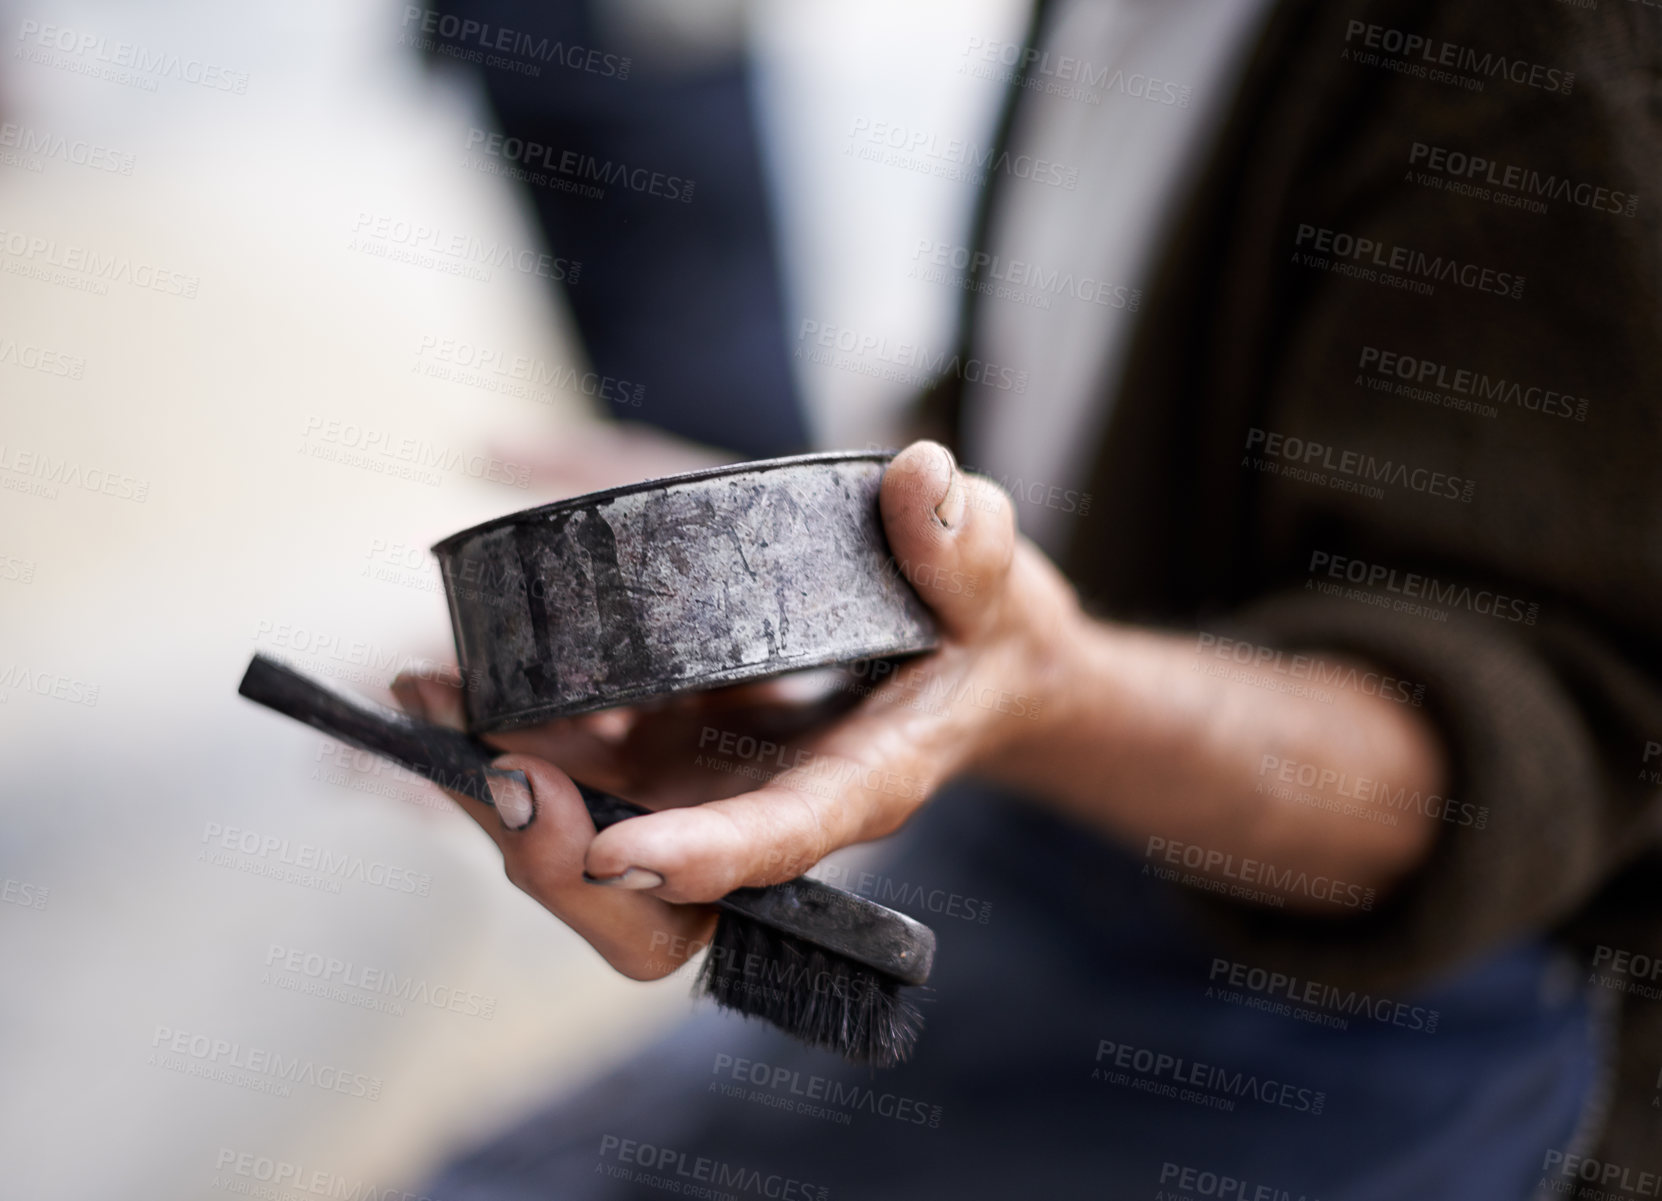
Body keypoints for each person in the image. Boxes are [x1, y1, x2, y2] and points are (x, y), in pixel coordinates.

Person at [403, 0, 1662, 1195]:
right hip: (1023, 865)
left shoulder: (1533, 41)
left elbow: (1546, 744)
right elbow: (1044, 416)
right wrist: (792, 589)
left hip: (1367, 1026)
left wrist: (1055, 691)